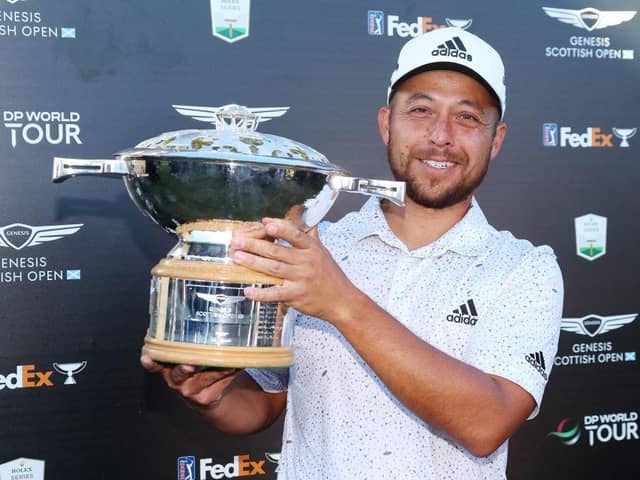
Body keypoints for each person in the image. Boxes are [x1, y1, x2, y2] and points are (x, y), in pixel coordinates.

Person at [141, 27, 563, 479]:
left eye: (467, 118)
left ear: (495, 140)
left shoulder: (523, 267)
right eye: (420, 110)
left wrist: (341, 302)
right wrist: (211, 394)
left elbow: (486, 423)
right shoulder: (316, 248)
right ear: (387, 123)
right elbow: (263, 403)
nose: (440, 136)